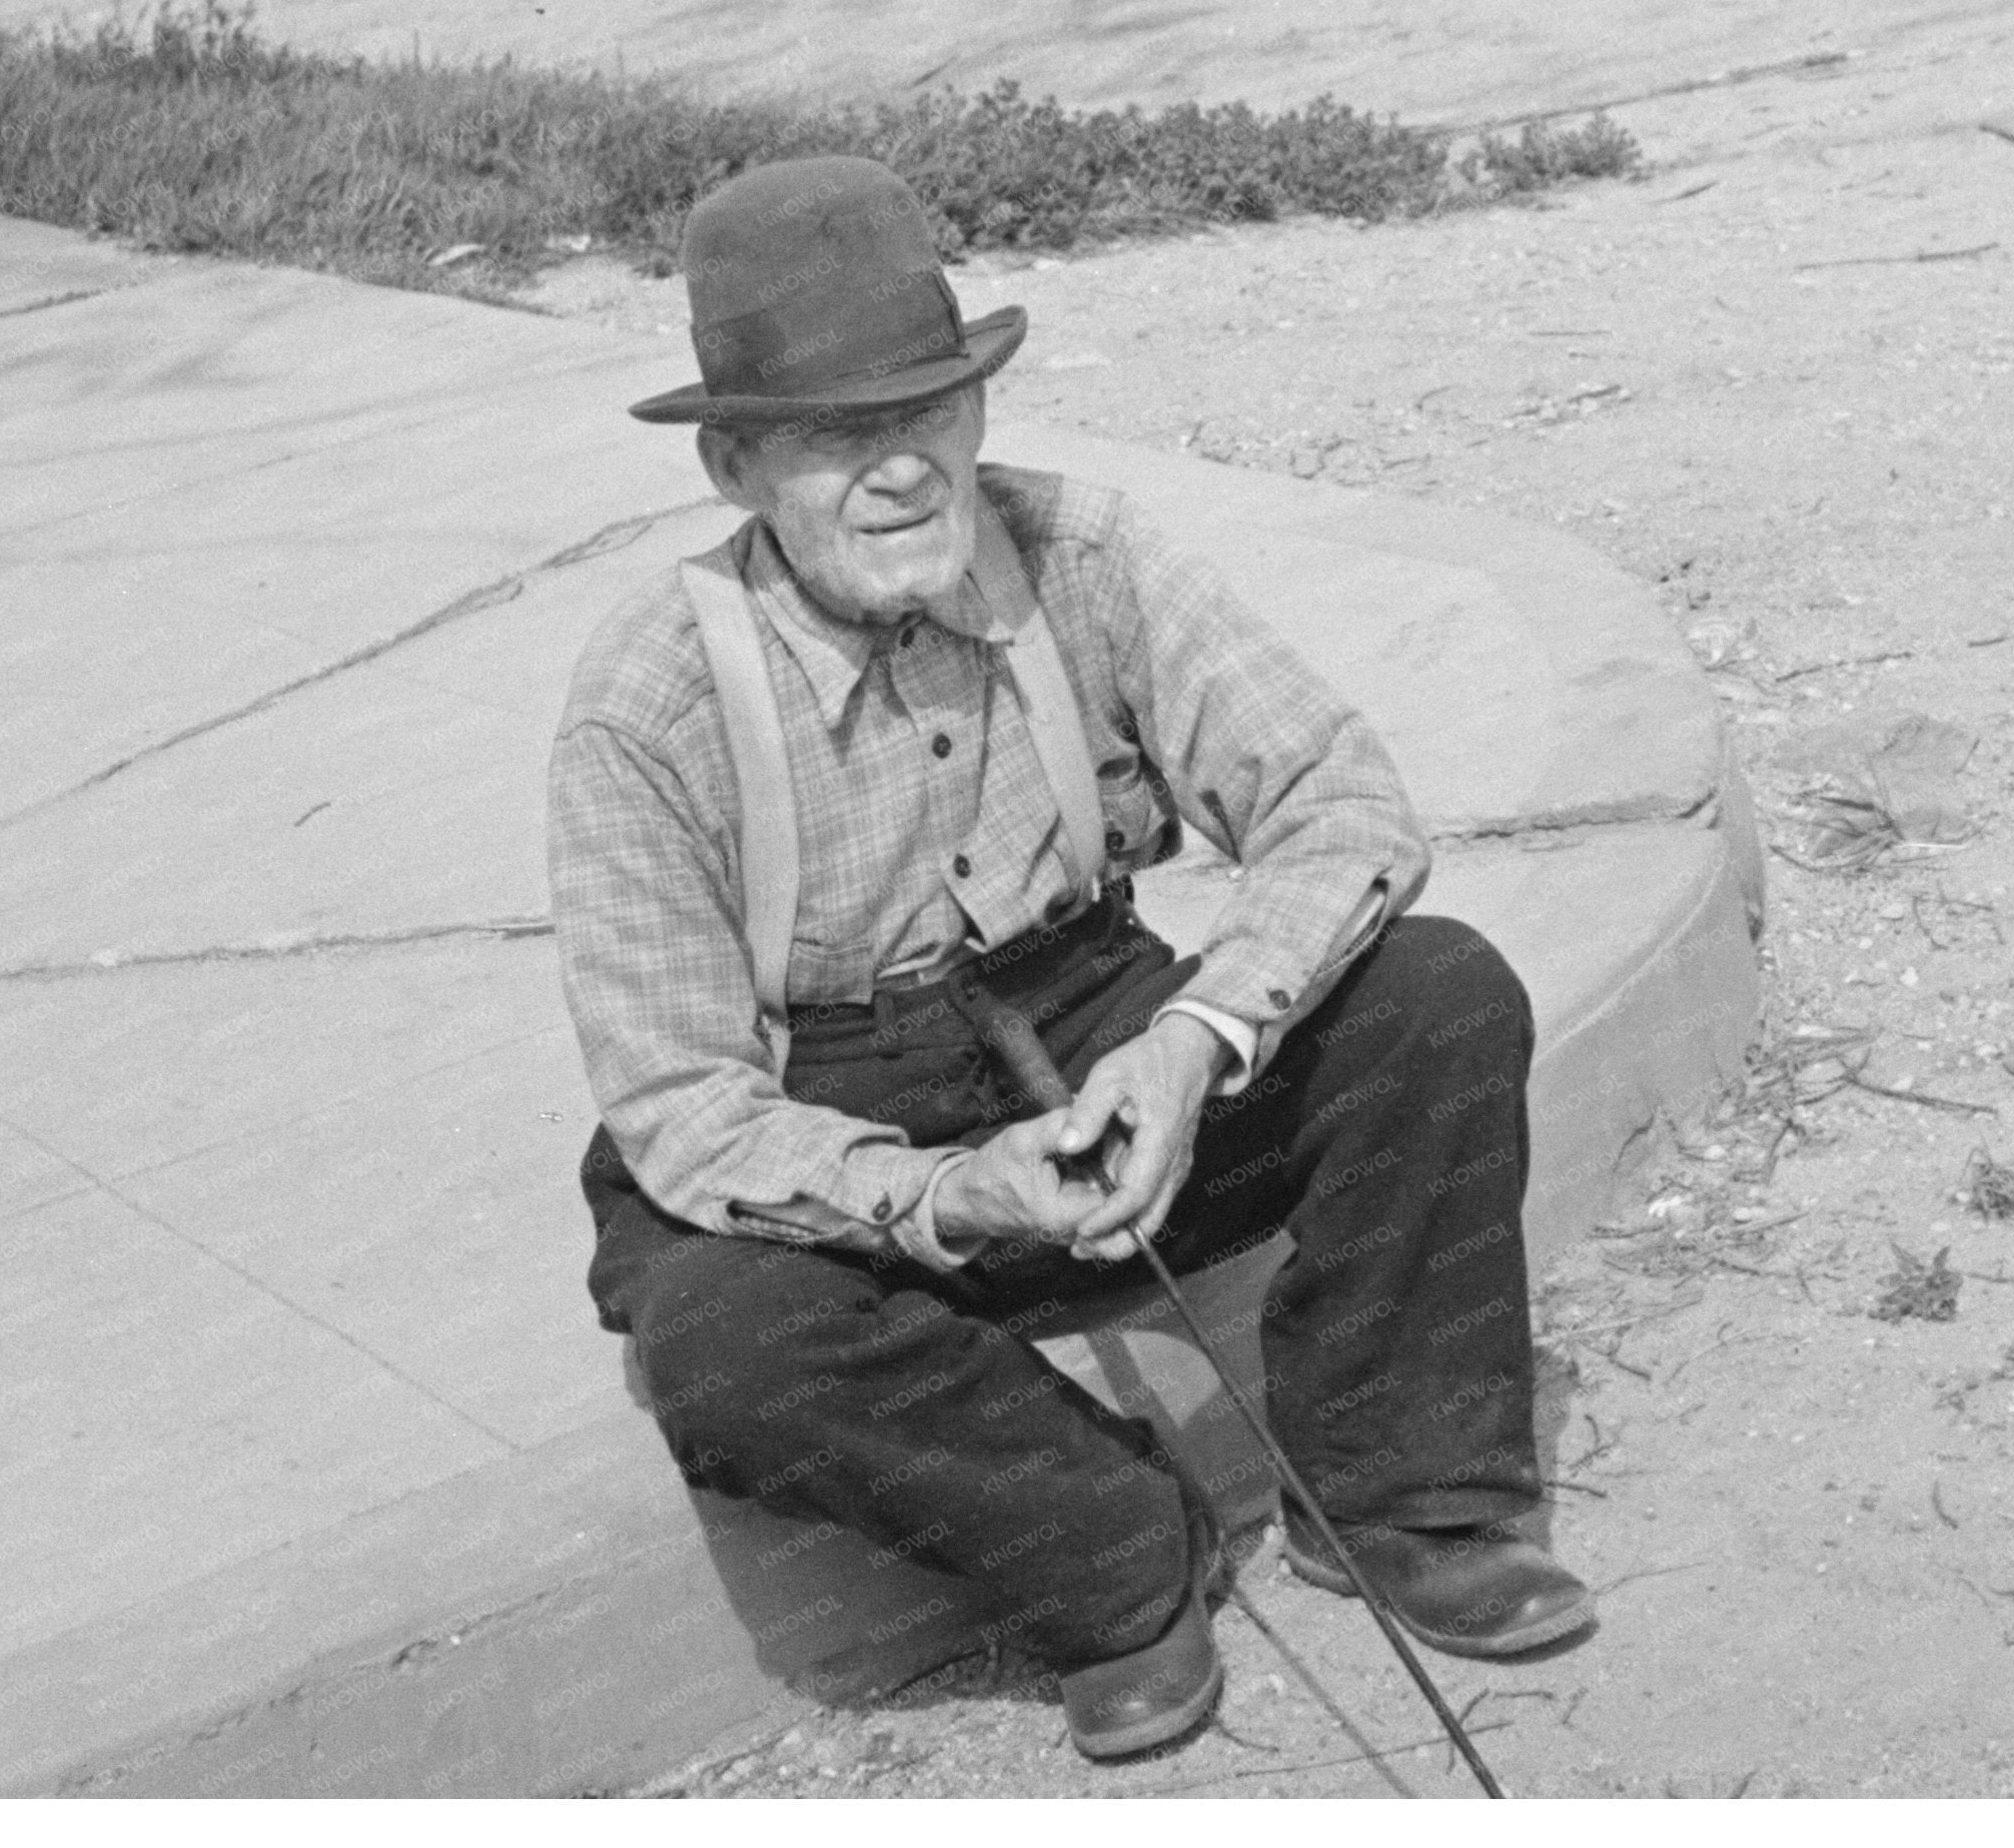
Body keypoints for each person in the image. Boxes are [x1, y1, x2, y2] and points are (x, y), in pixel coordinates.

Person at [547, 157, 1595, 1762]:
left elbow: (1340, 804)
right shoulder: (649, 706)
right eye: (835, 435)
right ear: (735, 464)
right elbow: (684, 1105)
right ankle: (1115, 1559)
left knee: (1436, 994)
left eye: (933, 408)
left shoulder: (1081, 548)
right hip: (837, 1121)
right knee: (717, 1334)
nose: (901, 468)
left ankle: (1406, 1494)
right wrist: (948, 1193)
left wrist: (1188, 1048)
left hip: (1099, 1023)